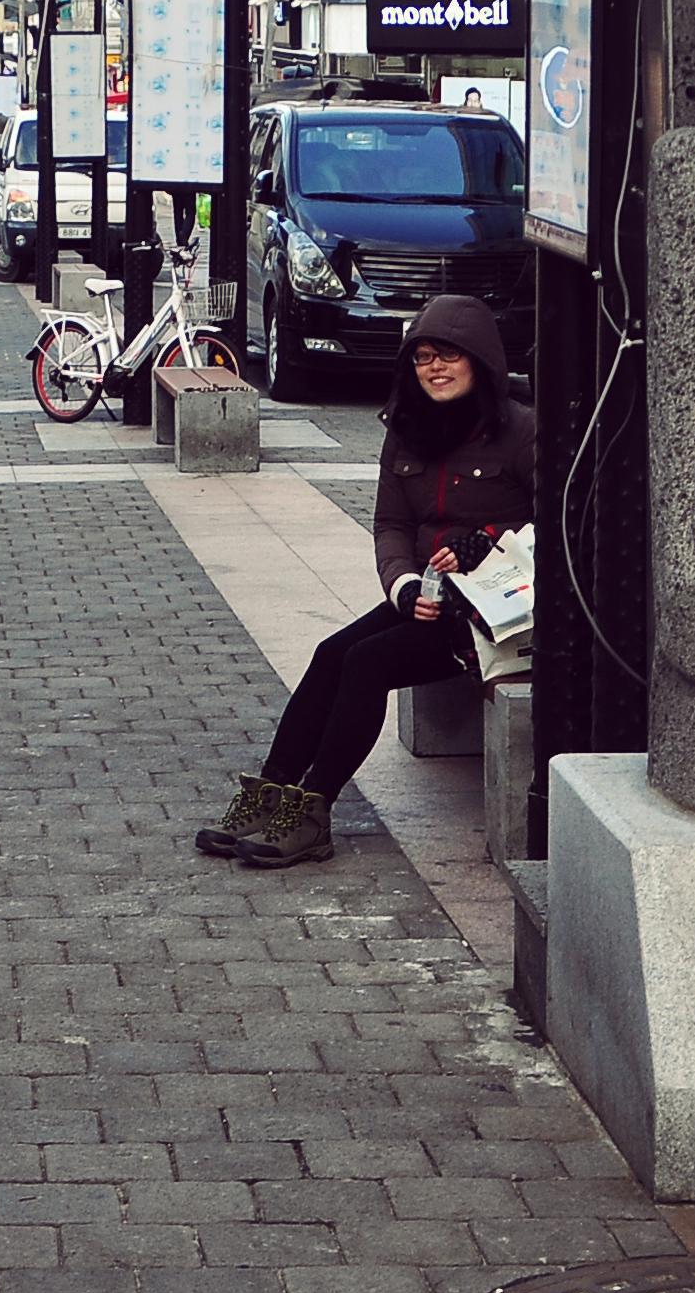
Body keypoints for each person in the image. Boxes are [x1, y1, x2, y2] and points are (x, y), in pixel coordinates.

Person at [200, 290, 536, 869]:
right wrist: (402, 585)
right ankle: (271, 790)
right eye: (423, 356)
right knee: (332, 651)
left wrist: (486, 544)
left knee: (368, 663)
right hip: (428, 598)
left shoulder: (523, 430)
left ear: (481, 361)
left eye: (449, 356)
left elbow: (558, 522)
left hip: (495, 615)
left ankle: (313, 813)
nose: (434, 368)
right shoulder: (407, 429)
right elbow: (392, 523)